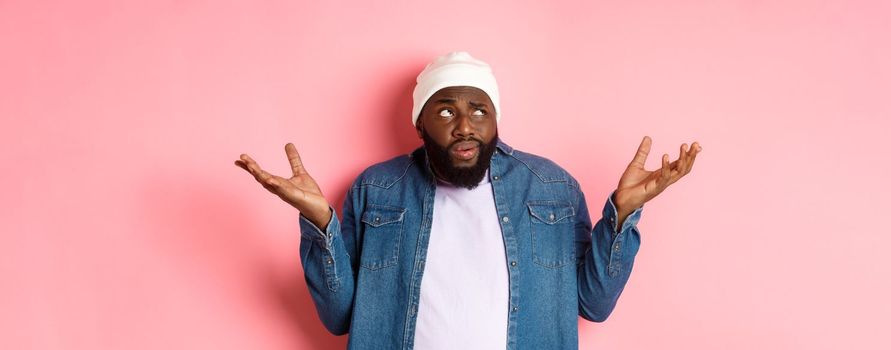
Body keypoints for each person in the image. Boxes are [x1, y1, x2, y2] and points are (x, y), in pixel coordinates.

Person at [235, 51, 702, 350]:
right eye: (446, 110)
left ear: (495, 118)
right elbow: (339, 319)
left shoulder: (552, 187)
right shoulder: (376, 189)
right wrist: (320, 223)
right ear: (420, 122)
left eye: (479, 110)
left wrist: (621, 215)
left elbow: (594, 305)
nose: (465, 125)